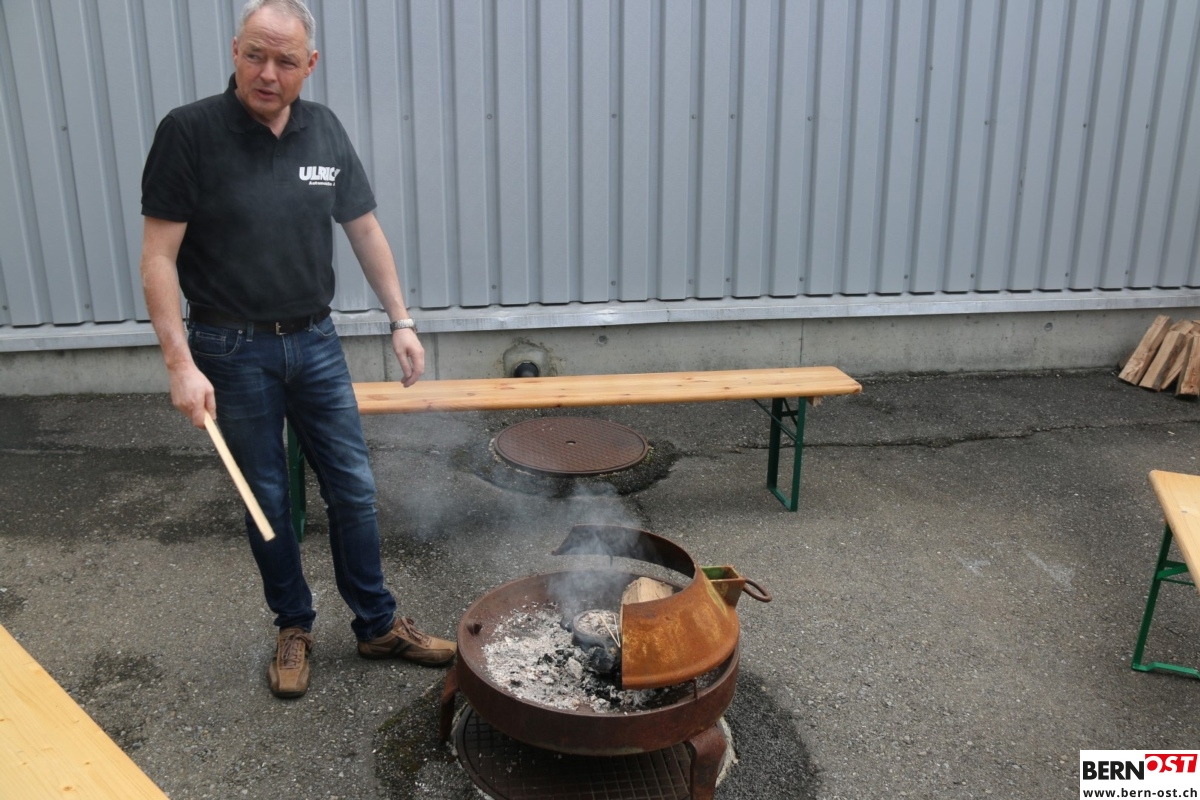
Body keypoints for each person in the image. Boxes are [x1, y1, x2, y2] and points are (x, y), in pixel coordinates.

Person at [139, 0, 455, 699]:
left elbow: (363, 228)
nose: (268, 73)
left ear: (309, 65)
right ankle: (294, 625)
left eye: (285, 61)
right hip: (229, 347)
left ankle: (376, 624)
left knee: (353, 488)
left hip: (315, 341)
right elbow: (158, 256)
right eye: (255, 54)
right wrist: (179, 364)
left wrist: (401, 320)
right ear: (235, 51)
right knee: (268, 501)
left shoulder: (324, 129)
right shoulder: (189, 131)